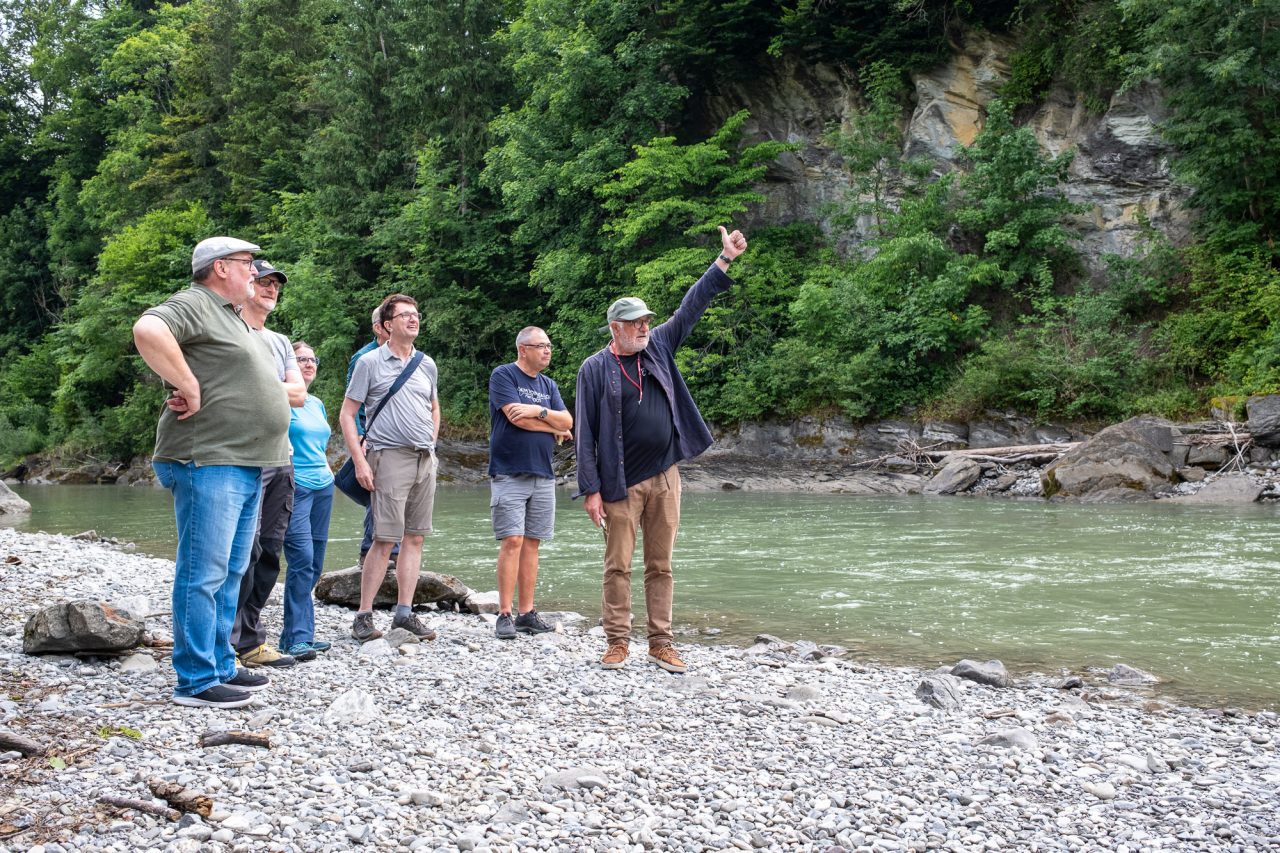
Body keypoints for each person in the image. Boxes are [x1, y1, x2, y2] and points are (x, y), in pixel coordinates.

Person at [575, 225, 748, 673]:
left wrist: (723, 259)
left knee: (661, 565)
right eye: (636, 323)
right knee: (617, 566)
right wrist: (591, 490)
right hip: (619, 483)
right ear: (616, 328)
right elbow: (586, 434)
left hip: (666, 475)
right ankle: (617, 642)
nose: (645, 328)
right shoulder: (594, 369)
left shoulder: (659, 347)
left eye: (647, 322)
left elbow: (693, 305)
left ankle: (661, 642)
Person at [132, 236, 291, 709]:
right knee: (204, 571)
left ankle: (221, 661)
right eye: (247, 264)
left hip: (244, 461)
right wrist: (187, 384)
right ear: (221, 267)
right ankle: (196, 679)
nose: (254, 271)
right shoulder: (197, 302)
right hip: (208, 457)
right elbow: (148, 329)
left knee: (230, 570)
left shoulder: (230, 316)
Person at [339, 294, 441, 642]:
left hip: (424, 459)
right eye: (404, 315)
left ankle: (404, 614)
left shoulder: (427, 363)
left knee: (415, 537)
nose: (413, 320)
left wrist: (433, 444)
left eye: (416, 314)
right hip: (388, 456)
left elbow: (433, 406)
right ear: (386, 325)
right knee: (384, 539)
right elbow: (348, 414)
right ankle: (364, 616)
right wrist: (359, 460)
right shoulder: (369, 363)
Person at [230, 260, 306, 669]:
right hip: (243, 456)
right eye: (263, 281)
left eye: (276, 283)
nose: (271, 288)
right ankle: (228, 639)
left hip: (283, 457)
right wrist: (278, 388)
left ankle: (251, 638)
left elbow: (299, 395)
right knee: (243, 549)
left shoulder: (279, 341)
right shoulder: (230, 331)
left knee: (270, 552)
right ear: (244, 284)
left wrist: (264, 387)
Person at [488, 326, 573, 640]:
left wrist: (540, 411)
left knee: (533, 543)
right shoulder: (504, 376)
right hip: (509, 471)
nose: (547, 351)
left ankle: (526, 612)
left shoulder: (548, 384)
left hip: (543, 473)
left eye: (549, 346)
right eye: (541, 346)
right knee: (512, 541)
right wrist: (551, 426)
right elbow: (515, 418)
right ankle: (505, 613)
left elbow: (568, 422)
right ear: (523, 349)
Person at [279, 341, 335, 660]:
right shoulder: (281, 400)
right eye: (301, 359)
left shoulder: (316, 403)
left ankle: (296, 635)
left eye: (313, 359)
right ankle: (298, 636)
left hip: (323, 486)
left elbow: (320, 444)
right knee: (301, 558)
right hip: (295, 485)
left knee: (314, 563)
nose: (309, 364)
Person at [347, 306, 397, 564]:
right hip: (371, 436)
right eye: (389, 323)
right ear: (379, 327)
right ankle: (371, 550)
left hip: (399, 439)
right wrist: (357, 437)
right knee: (377, 493)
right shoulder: (363, 358)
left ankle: (392, 551)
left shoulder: (409, 358)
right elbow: (351, 402)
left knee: (395, 494)